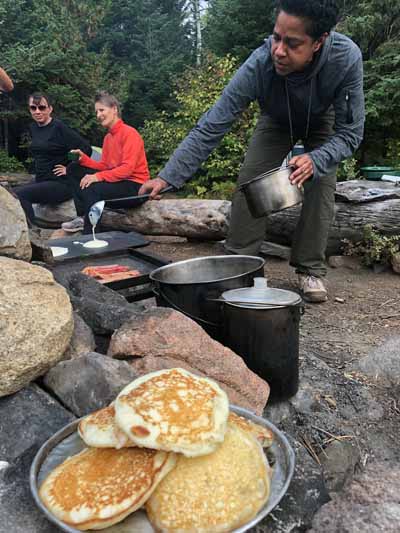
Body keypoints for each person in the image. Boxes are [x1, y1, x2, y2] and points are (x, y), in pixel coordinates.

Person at [138, 0, 365, 303]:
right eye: (277, 37)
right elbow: (212, 125)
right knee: (250, 179)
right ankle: (238, 263)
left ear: (319, 41)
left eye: (292, 43)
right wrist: (168, 177)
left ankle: (310, 267)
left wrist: (317, 159)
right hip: (275, 119)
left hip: (322, 121)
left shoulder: (345, 58)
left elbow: (351, 133)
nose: (279, 51)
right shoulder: (260, 63)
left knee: (321, 183)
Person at [62, 91, 150, 234]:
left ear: (114, 109)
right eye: (96, 112)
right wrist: (83, 159)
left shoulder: (130, 133)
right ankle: (82, 216)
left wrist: (97, 177)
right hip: (118, 181)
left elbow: (127, 169)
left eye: (101, 110)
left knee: (93, 187)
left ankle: (90, 234)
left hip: (135, 186)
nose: (98, 115)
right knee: (73, 169)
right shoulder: (108, 138)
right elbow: (104, 166)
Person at [14, 92, 92, 225]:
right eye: (33, 108)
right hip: (42, 180)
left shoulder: (58, 127)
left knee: (21, 194)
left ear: (50, 109)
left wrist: (69, 167)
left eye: (42, 108)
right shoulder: (34, 128)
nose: (37, 112)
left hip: (61, 183)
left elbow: (86, 149)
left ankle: (32, 234)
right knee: (12, 193)